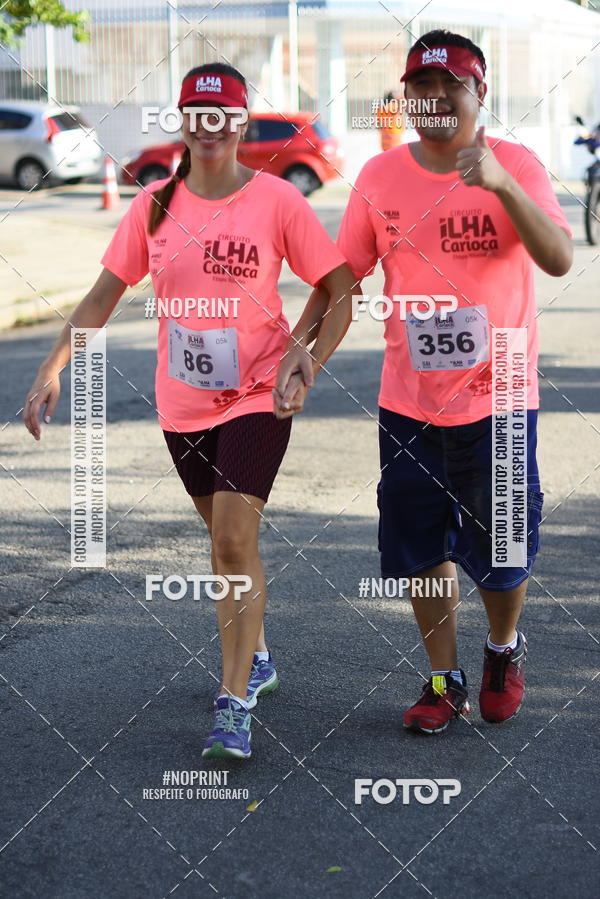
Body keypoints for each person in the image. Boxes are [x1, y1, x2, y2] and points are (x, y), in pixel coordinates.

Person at [23, 62, 356, 759]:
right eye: (196, 113)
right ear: (183, 120)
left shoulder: (276, 202)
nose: (209, 126)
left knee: (233, 541)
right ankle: (257, 655)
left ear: (240, 122)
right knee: (224, 541)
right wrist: (52, 367)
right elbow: (100, 297)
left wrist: (303, 356)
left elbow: (339, 285)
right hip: (183, 407)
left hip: (258, 394)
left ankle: (233, 703)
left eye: (223, 113)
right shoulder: (153, 205)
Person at [335, 31, 573, 734]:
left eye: (451, 89)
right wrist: (298, 351)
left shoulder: (519, 165)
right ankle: (443, 679)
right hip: (409, 401)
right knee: (419, 549)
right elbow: (344, 275)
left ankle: (503, 648)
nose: (435, 101)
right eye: (421, 89)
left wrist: (499, 183)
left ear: (480, 95)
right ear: (407, 95)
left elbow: (558, 257)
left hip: (499, 397)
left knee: (501, 552)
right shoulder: (379, 179)